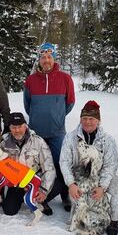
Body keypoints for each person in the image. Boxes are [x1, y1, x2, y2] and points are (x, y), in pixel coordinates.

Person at [60, 101, 118, 233]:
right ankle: (79, 217)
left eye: (91, 119)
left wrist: (102, 186)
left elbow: (110, 165)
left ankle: (113, 221)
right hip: (79, 176)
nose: (88, 122)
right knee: (79, 196)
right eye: (84, 118)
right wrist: (71, 183)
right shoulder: (70, 138)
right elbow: (64, 162)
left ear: (98, 121)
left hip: (100, 175)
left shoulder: (108, 140)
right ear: (80, 120)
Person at [23, 42, 75, 212]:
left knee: (61, 164)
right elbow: (27, 104)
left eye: (49, 57)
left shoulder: (65, 78)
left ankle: (64, 194)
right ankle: (38, 194)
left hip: (57, 132)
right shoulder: (30, 80)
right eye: (43, 57)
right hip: (36, 132)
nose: (46, 60)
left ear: (54, 58)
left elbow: (70, 103)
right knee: (38, 165)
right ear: (39, 60)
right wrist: (38, 117)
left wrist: (57, 116)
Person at [0, 112, 56, 215]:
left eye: (20, 126)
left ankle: (41, 199)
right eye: (13, 127)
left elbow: (49, 167)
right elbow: (0, 168)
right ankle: (27, 198)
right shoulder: (4, 144)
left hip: (37, 181)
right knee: (9, 210)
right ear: (9, 128)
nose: (17, 130)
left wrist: (43, 190)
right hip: (17, 183)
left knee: (58, 184)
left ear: (25, 126)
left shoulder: (38, 141)